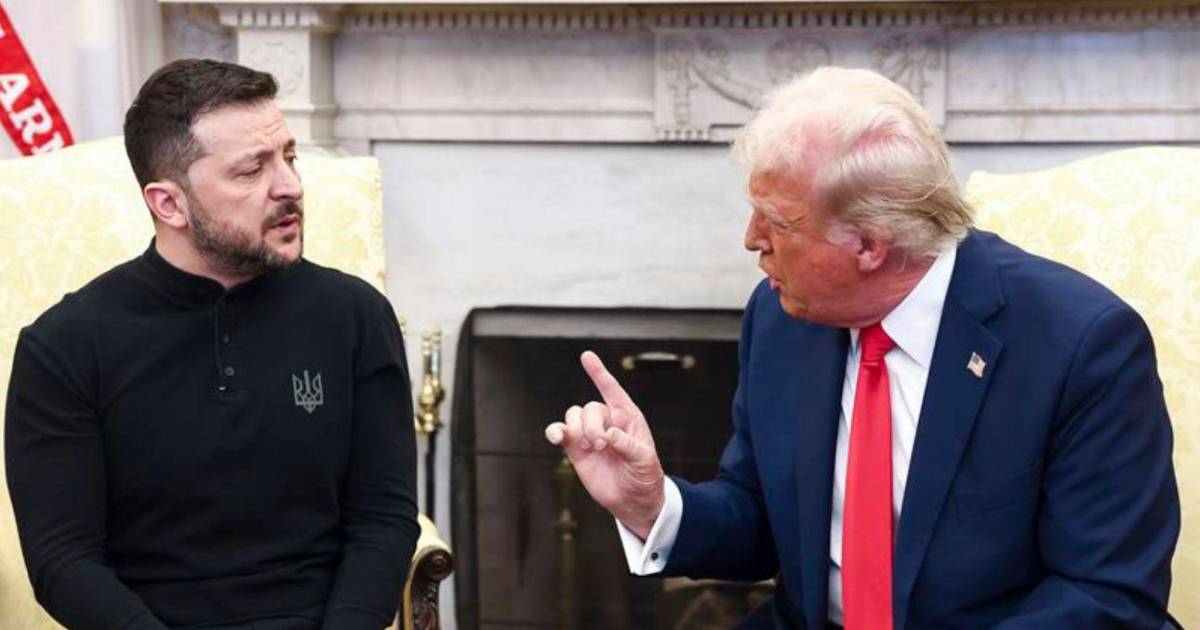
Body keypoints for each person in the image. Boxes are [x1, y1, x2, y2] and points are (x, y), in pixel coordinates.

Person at [545, 66, 1180, 629]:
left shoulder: (1082, 346)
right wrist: (653, 504)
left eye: (778, 220)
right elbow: (760, 517)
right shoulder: (781, 316)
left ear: (871, 245)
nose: (751, 238)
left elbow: (1104, 597)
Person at [5, 59, 418, 630]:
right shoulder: (62, 346)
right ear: (168, 204)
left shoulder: (357, 316)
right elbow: (63, 561)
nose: (290, 186)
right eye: (252, 170)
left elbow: (383, 517)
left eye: (289, 157)